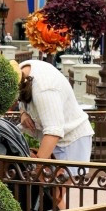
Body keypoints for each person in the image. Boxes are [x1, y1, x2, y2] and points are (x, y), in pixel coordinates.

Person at [15, 59, 94, 203]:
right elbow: (20, 99)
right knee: (50, 195)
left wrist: (36, 170)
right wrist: (23, 113)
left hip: (72, 139)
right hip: (57, 138)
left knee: (54, 196)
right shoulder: (21, 71)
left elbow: (54, 131)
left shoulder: (45, 88)